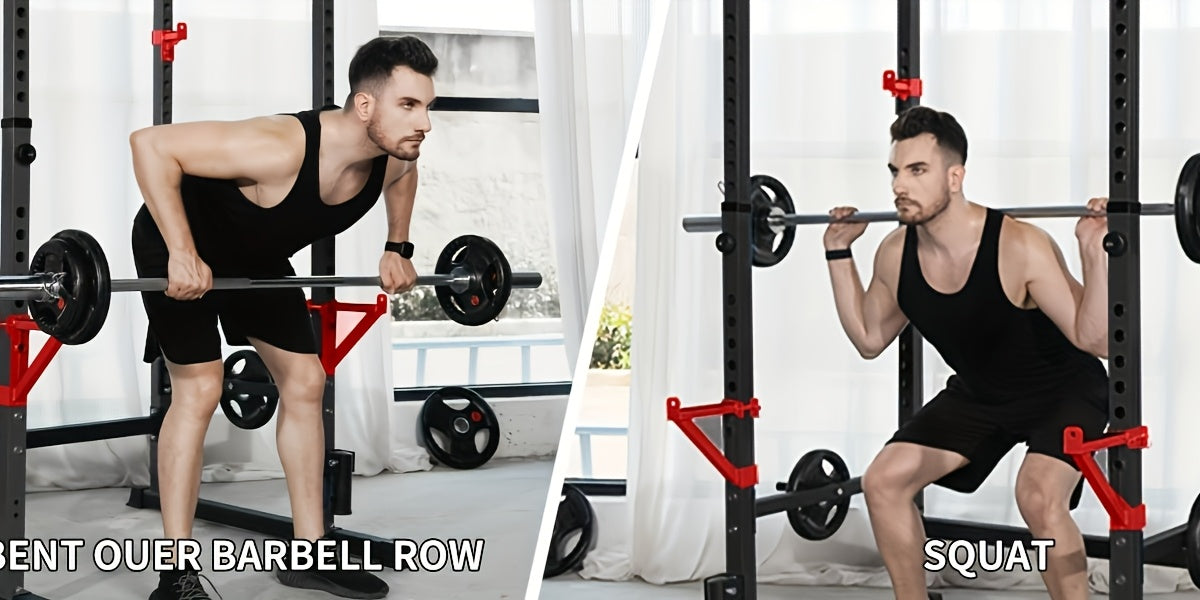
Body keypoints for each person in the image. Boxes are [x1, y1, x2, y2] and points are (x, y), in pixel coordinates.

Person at [129, 36, 437, 600]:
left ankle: (310, 553)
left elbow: (403, 177)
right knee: (199, 389)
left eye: (427, 107)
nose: (424, 123)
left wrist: (400, 246)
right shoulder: (280, 146)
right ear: (365, 106)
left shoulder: (391, 155)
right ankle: (175, 576)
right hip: (181, 245)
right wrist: (179, 250)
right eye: (409, 106)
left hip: (255, 258)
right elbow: (150, 145)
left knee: (306, 380)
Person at [823, 106, 1109, 600]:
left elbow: (1096, 340)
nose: (899, 186)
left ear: (954, 177)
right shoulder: (895, 252)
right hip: (981, 393)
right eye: (895, 171)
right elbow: (870, 338)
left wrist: (1094, 253)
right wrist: (837, 252)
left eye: (917, 171)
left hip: (1064, 390)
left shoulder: (1020, 244)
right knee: (883, 480)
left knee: (1037, 495)